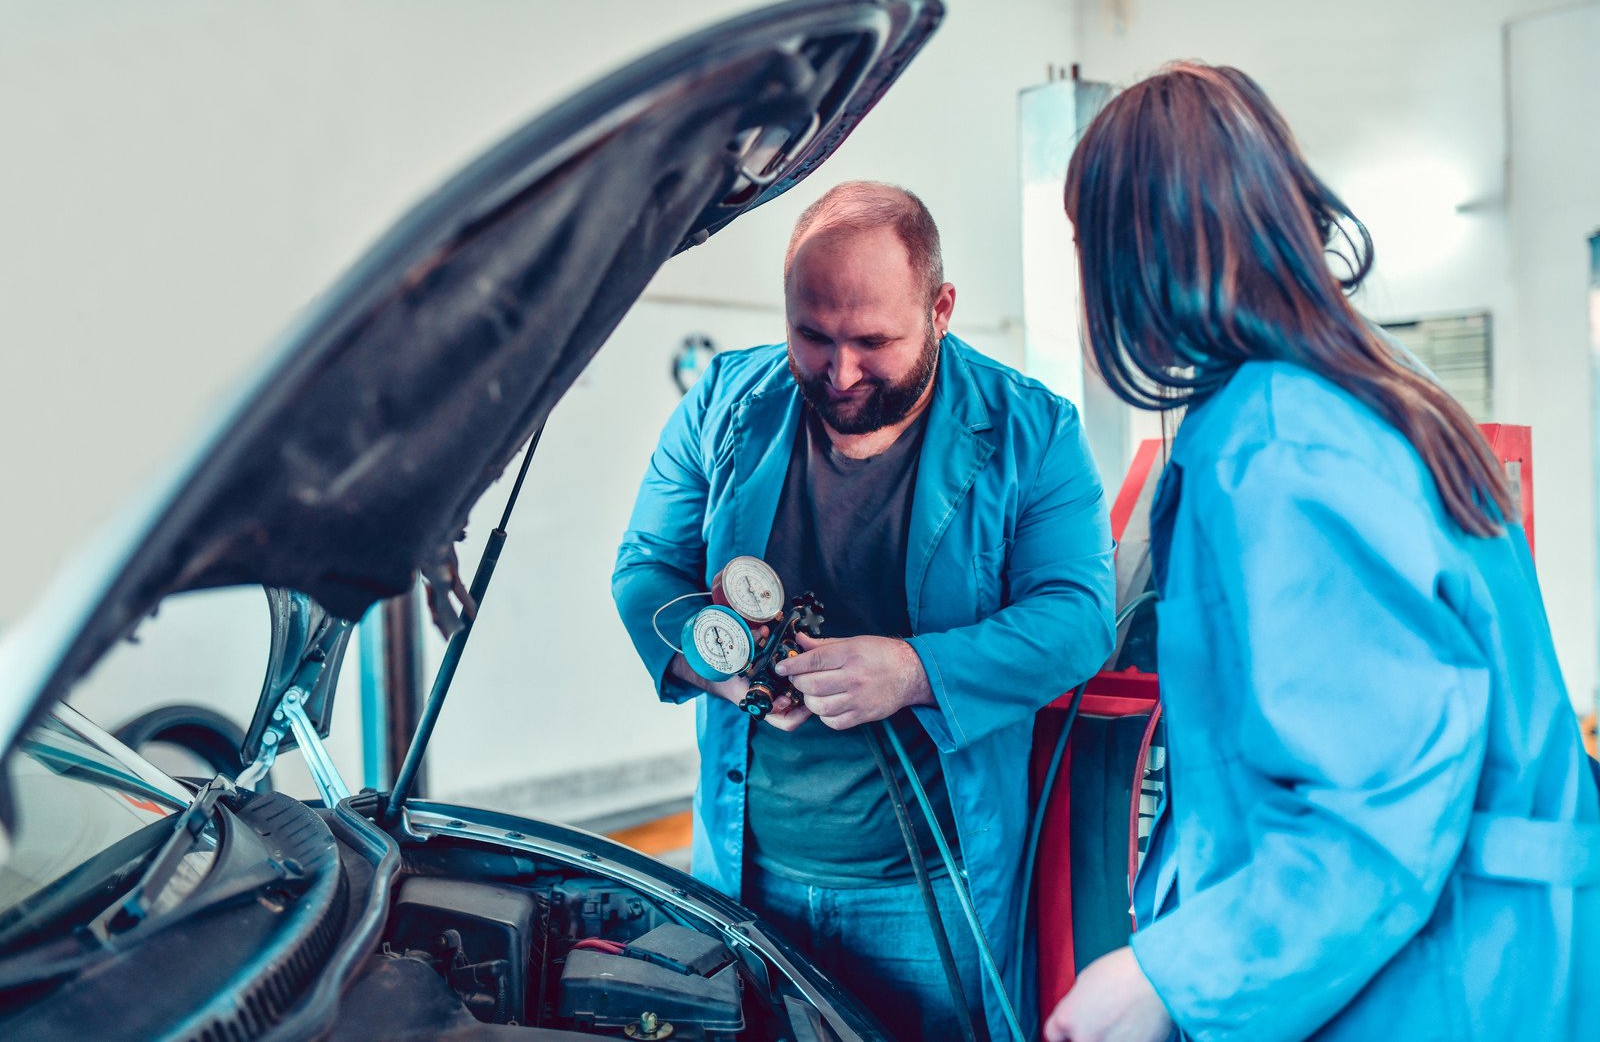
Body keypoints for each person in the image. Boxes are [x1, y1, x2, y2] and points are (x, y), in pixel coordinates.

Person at [1044, 63, 1599, 1042]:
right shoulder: (1371, 388)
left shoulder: (1280, 443)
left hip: (1434, 980)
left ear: (1138, 248)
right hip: (1505, 951)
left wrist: (1165, 976)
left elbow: (1372, 810)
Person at [613, 181, 1116, 1039]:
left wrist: (915, 671)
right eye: (812, 336)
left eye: (873, 341)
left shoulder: (1033, 431)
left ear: (941, 307)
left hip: (929, 899)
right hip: (747, 879)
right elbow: (646, 569)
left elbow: (1078, 619)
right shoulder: (724, 403)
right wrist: (731, 672)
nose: (839, 373)